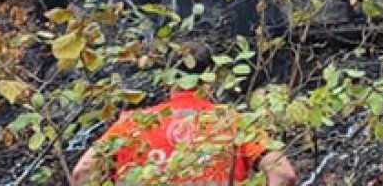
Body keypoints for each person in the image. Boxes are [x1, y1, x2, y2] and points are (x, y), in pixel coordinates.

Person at [71, 45, 297, 186]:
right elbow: (283, 173)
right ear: (211, 80)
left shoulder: (131, 125)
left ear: (168, 79)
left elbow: (83, 173)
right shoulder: (234, 123)